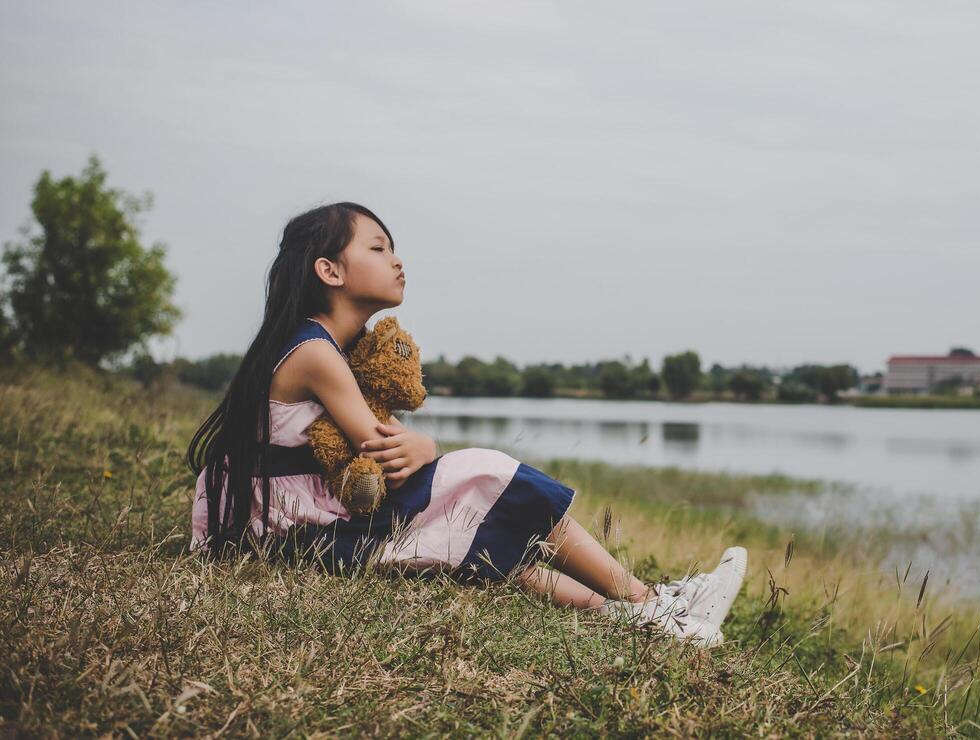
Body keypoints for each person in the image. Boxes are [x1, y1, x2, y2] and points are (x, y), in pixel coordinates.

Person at [185, 201, 746, 646]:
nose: (397, 260)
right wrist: (427, 446)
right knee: (484, 473)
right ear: (329, 270)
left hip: (299, 522)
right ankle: (651, 602)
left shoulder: (334, 347)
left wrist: (422, 450)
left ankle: (644, 621)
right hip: (291, 533)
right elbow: (381, 452)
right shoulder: (313, 351)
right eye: (379, 247)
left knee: (473, 527)